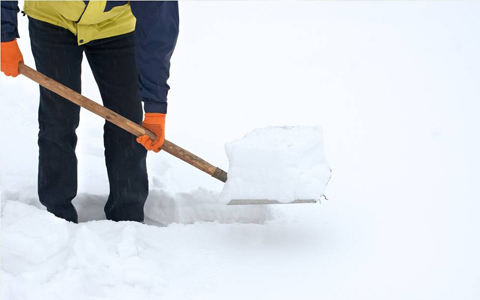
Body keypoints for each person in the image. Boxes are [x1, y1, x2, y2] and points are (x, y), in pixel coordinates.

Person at [0, 1, 179, 223]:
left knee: (127, 124)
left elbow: (157, 29)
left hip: (115, 26)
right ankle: (55, 218)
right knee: (58, 118)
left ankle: (127, 218)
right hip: (52, 18)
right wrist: (3, 33)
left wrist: (155, 108)